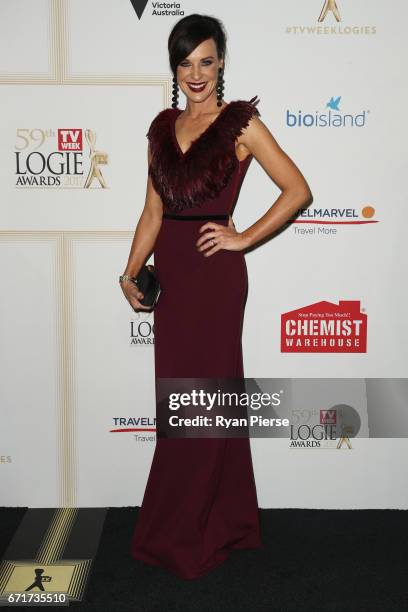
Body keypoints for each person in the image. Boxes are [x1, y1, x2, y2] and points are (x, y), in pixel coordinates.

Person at [120, 13, 312, 580]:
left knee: (203, 406)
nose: (196, 74)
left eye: (206, 61)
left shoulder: (240, 124)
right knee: (180, 406)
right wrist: (130, 272)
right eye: (185, 63)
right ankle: (225, 519)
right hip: (173, 280)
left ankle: (186, 535)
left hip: (215, 276)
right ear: (174, 67)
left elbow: (297, 189)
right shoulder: (162, 127)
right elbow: (153, 211)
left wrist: (242, 237)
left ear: (222, 61)